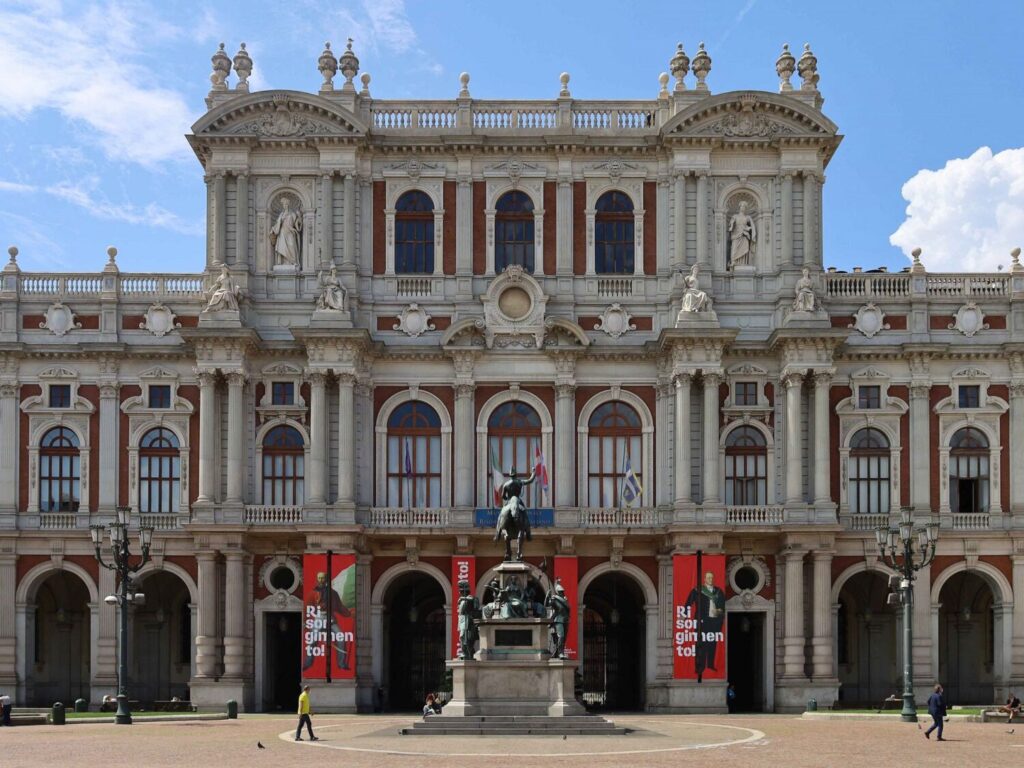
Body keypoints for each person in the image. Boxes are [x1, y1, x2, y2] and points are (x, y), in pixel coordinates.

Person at [684, 571, 726, 682]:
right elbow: (688, 603)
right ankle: (700, 667)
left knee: (712, 643)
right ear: (704, 579)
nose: (710, 580)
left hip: (714, 621)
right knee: (700, 644)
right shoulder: (698, 590)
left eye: (712, 578)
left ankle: (711, 664)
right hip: (701, 621)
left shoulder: (718, 591)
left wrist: (718, 611)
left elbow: (723, 607)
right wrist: (684, 615)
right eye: (708, 578)